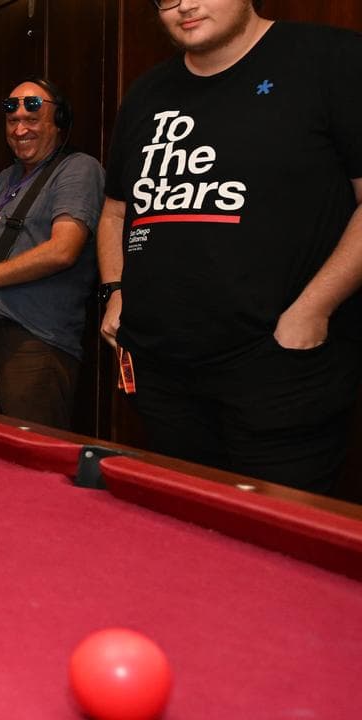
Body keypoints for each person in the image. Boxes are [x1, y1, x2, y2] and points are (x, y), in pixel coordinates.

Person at [97, 0, 362, 493]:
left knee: (279, 550)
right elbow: (115, 213)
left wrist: (313, 309)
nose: (184, 5)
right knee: (186, 539)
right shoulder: (145, 93)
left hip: (280, 373)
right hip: (163, 379)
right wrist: (116, 289)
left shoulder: (331, 59)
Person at [0, 78, 104, 430]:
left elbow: (63, 250)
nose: (20, 129)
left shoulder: (78, 169)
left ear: (58, 122)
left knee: (30, 457)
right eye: (12, 121)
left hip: (37, 341)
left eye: (32, 120)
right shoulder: (7, 175)